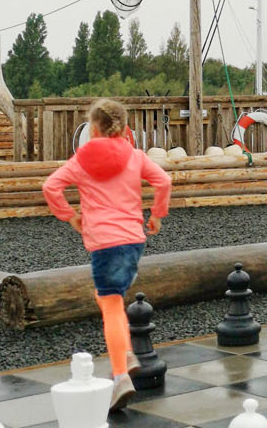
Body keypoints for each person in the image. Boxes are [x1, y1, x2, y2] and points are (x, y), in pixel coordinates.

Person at [42, 98, 172, 410]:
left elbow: (50, 187)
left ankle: (119, 376)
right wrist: (156, 214)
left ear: (93, 129)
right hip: (132, 240)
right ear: (125, 128)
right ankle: (124, 351)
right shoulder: (135, 156)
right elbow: (164, 181)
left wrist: (70, 215)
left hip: (103, 242)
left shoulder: (80, 160)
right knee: (110, 298)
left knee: (110, 306)